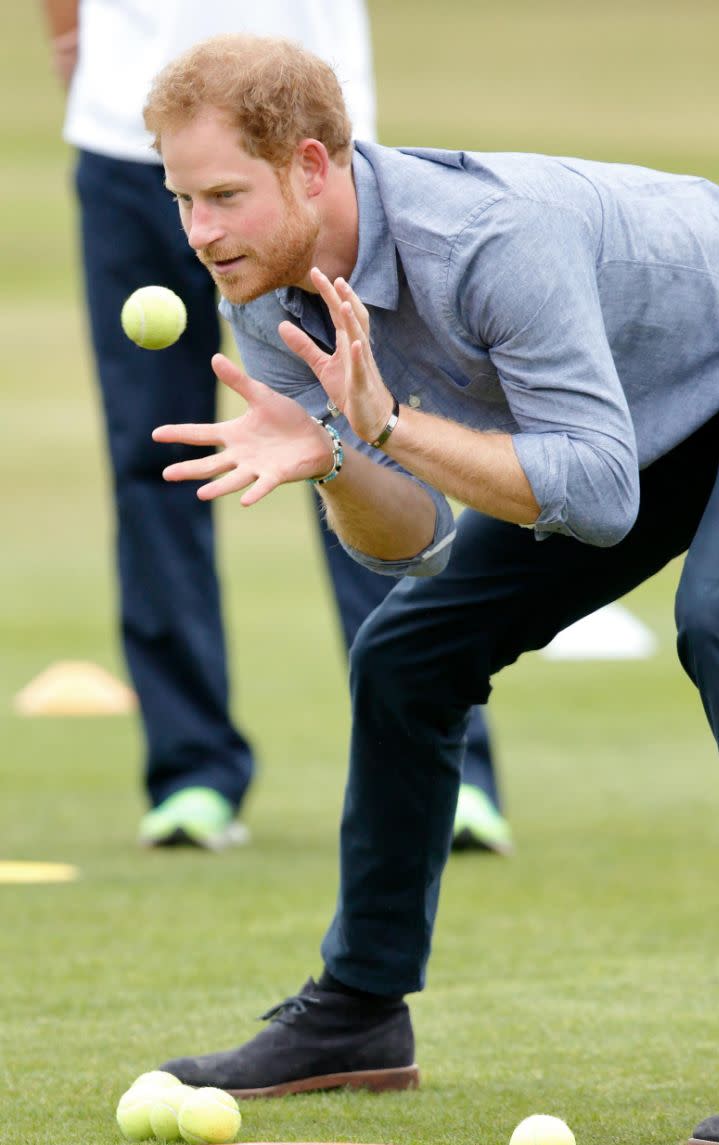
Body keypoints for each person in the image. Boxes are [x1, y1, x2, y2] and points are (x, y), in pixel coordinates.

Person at [145, 35, 719, 1145]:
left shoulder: (489, 239)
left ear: (310, 166)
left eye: (223, 196)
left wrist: (385, 426)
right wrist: (341, 459)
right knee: (407, 652)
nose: (199, 232)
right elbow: (407, 546)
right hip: (638, 423)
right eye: (180, 198)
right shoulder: (269, 292)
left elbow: (596, 496)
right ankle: (359, 1012)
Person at [41, 0, 510, 854]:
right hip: (127, 137)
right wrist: (70, 38)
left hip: (302, 155)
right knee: (159, 456)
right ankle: (191, 772)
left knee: (367, 440)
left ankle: (448, 770)